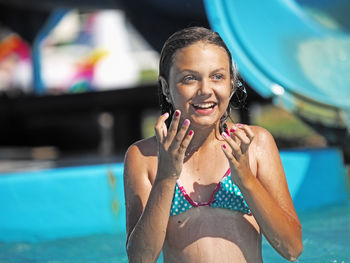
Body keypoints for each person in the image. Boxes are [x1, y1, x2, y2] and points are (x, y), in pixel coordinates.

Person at [123, 26, 302, 263]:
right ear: (166, 88)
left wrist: (246, 179)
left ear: (232, 83)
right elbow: (140, 258)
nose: (206, 90)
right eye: (189, 78)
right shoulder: (144, 157)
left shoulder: (255, 145)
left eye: (217, 76)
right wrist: (166, 177)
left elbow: (292, 249)